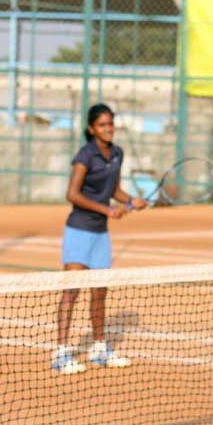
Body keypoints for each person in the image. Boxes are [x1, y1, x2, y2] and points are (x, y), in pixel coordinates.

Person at [51, 104, 147, 375]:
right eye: (103, 125)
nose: (108, 129)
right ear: (92, 129)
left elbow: (114, 189)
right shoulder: (85, 155)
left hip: (101, 235)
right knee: (71, 292)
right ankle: (60, 352)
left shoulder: (117, 153)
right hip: (79, 231)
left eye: (111, 124)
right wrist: (107, 209)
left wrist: (131, 201)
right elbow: (72, 194)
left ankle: (99, 348)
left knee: (99, 293)